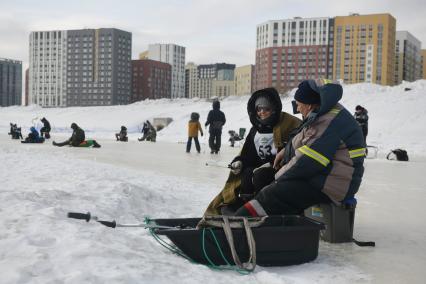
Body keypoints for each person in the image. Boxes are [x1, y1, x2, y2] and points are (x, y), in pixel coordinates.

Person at [231, 79, 366, 217]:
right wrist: (284, 152)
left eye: (299, 104)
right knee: (264, 176)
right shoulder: (323, 114)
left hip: (333, 184)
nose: (297, 107)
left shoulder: (329, 122)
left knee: (273, 192)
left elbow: (307, 163)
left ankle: (240, 222)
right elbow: (301, 137)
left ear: (309, 105)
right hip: (324, 175)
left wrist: (277, 177)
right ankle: (267, 220)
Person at [203, 87, 302, 216]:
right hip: (259, 167)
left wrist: (272, 163)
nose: (262, 112)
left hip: (278, 169)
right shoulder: (255, 130)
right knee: (247, 173)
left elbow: (294, 148)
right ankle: (248, 204)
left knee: (260, 175)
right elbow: (248, 154)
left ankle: (264, 207)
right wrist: (239, 161)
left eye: (266, 109)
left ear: (274, 109)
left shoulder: (287, 124)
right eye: (259, 109)